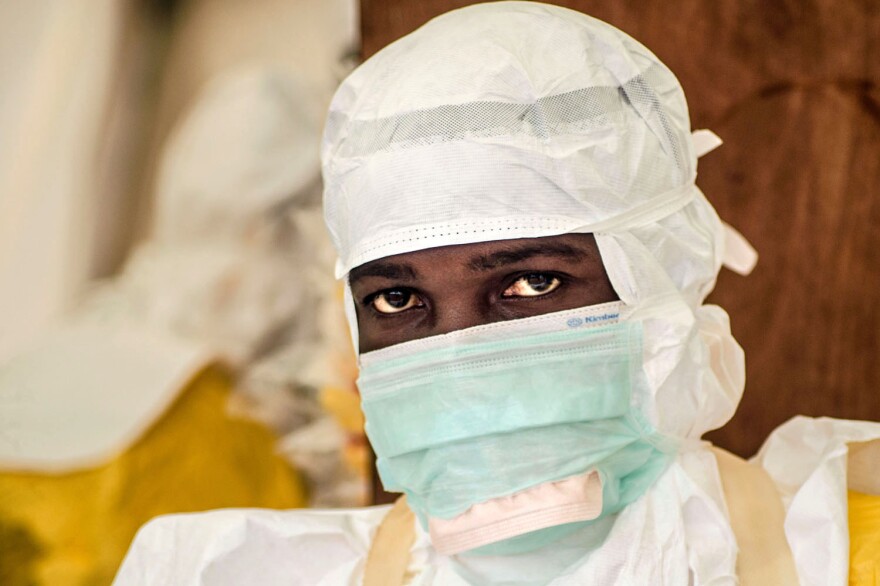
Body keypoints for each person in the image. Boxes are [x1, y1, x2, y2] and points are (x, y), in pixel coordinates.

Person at [113, 3, 880, 584]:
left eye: (530, 282)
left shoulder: (840, 550)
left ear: (660, 278)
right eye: (395, 300)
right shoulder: (225, 570)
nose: (458, 361)